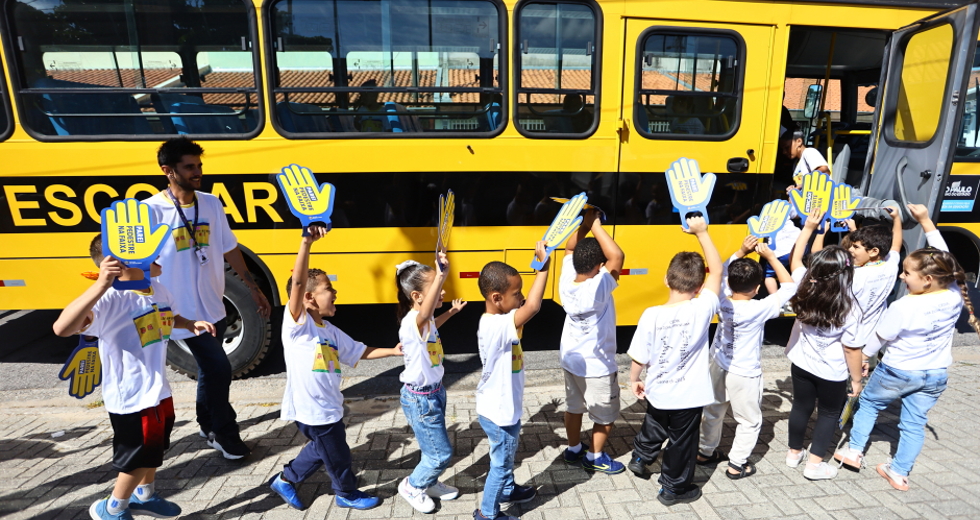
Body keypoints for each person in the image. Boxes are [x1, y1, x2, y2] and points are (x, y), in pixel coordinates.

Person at [53, 235, 216, 520]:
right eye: (150, 252)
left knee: (156, 448)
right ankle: (112, 508)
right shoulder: (109, 298)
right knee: (138, 457)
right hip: (131, 396)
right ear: (124, 263)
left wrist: (190, 324)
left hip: (158, 390)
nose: (159, 256)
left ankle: (145, 496)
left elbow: (169, 316)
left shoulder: (159, 289)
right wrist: (101, 284)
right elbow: (62, 328)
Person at [834, 204, 980, 491]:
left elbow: (879, 338)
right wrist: (925, 221)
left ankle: (853, 452)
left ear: (927, 280)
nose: (901, 277)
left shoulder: (904, 306)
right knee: (914, 423)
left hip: (898, 370)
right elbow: (946, 257)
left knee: (870, 404)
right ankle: (899, 473)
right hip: (936, 373)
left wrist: (864, 358)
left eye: (907, 273)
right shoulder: (953, 293)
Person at [144, 138, 271, 460]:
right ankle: (223, 432)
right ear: (168, 171)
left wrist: (253, 287)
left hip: (214, 306)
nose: (197, 172)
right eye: (189, 167)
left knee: (210, 370)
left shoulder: (211, 203)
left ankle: (206, 423)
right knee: (219, 369)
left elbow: (230, 247)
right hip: (180, 312)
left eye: (199, 165)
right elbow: (140, 263)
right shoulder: (150, 210)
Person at [268, 224, 403, 511]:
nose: (335, 292)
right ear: (308, 297)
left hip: (329, 405)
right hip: (311, 408)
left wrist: (393, 351)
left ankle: (285, 479)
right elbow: (297, 283)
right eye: (328, 288)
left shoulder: (329, 330)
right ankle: (346, 493)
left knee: (323, 448)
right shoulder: (297, 326)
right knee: (337, 453)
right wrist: (306, 243)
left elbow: (360, 351)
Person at [626, 215, 721, 506]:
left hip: (658, 389)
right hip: (688, 397)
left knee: (655, 424)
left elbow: (640, 355)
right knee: (682, 442)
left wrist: (634, 379)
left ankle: (641, 457)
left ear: (666, 279)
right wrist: (702, 233)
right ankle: (672, 489)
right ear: (699, 286)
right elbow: (717, 270)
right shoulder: (702, 308)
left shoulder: (651, 314)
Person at [696, 236, 797, 479]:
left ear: (730, 283)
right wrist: (771, 257)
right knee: (749, 420)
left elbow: (720, 270)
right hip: (745, 373)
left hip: (717, 364)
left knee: (713, 411)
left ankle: (705, 452)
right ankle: (737, 464)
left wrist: (741, 250)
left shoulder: (721, 298)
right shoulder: (759, 308)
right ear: (757, 288)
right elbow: (790, 287)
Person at [473, 241, 551, 520]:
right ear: (496, 298)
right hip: (499, 413)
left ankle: (506, 490)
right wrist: (543, 268)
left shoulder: (502, 320)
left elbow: (525, 309)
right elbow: (533, 307)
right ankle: (487, 513)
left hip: (503, 408)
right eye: (516, 294)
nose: (521, 298)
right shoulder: (495, 326)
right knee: (501, 464)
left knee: (505, 458)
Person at [783, 208, 858, 481]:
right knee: (827, 413)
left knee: (800, 407)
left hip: (801, 363)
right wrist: (857, 380)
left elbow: (795, 259)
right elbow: (851, 349)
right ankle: (814, 466)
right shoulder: (850, 305)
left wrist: (809, 228)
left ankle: (794, 454)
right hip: (831, 372)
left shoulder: (804, 284)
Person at [394, 253, 466, 513]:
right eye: (436, 285)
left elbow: (433, 321)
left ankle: (430, 482)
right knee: (440, 454)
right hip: (420, 399)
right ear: (417, 296)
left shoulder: (424, 320)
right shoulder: (412, 321)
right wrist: (441, 273)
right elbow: (426, 316)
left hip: (434, 393)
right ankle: (413, 486)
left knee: (431, 447)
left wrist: (452, 312)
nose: (442, 290)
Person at [559, 209, 626, 474]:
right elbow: (617, 256)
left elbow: (569, 248)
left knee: (573, 407)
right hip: (597, 366)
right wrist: (594, 223)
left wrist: (585, 225)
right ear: (599, 266)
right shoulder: (597, 288)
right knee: (606, 415)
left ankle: (574, 449)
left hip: (571, 359)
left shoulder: (568, 279)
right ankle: (594, 456)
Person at [839, 210, 904, 396]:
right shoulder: (890, 265)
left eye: (855, 247)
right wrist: (897, 219)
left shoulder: (855, 275)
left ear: (874, 251)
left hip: (851, 338)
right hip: (872, 341)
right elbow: (896, 244)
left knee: (847, 381)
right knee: (863, 378)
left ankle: (846, 405)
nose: (850, 250)